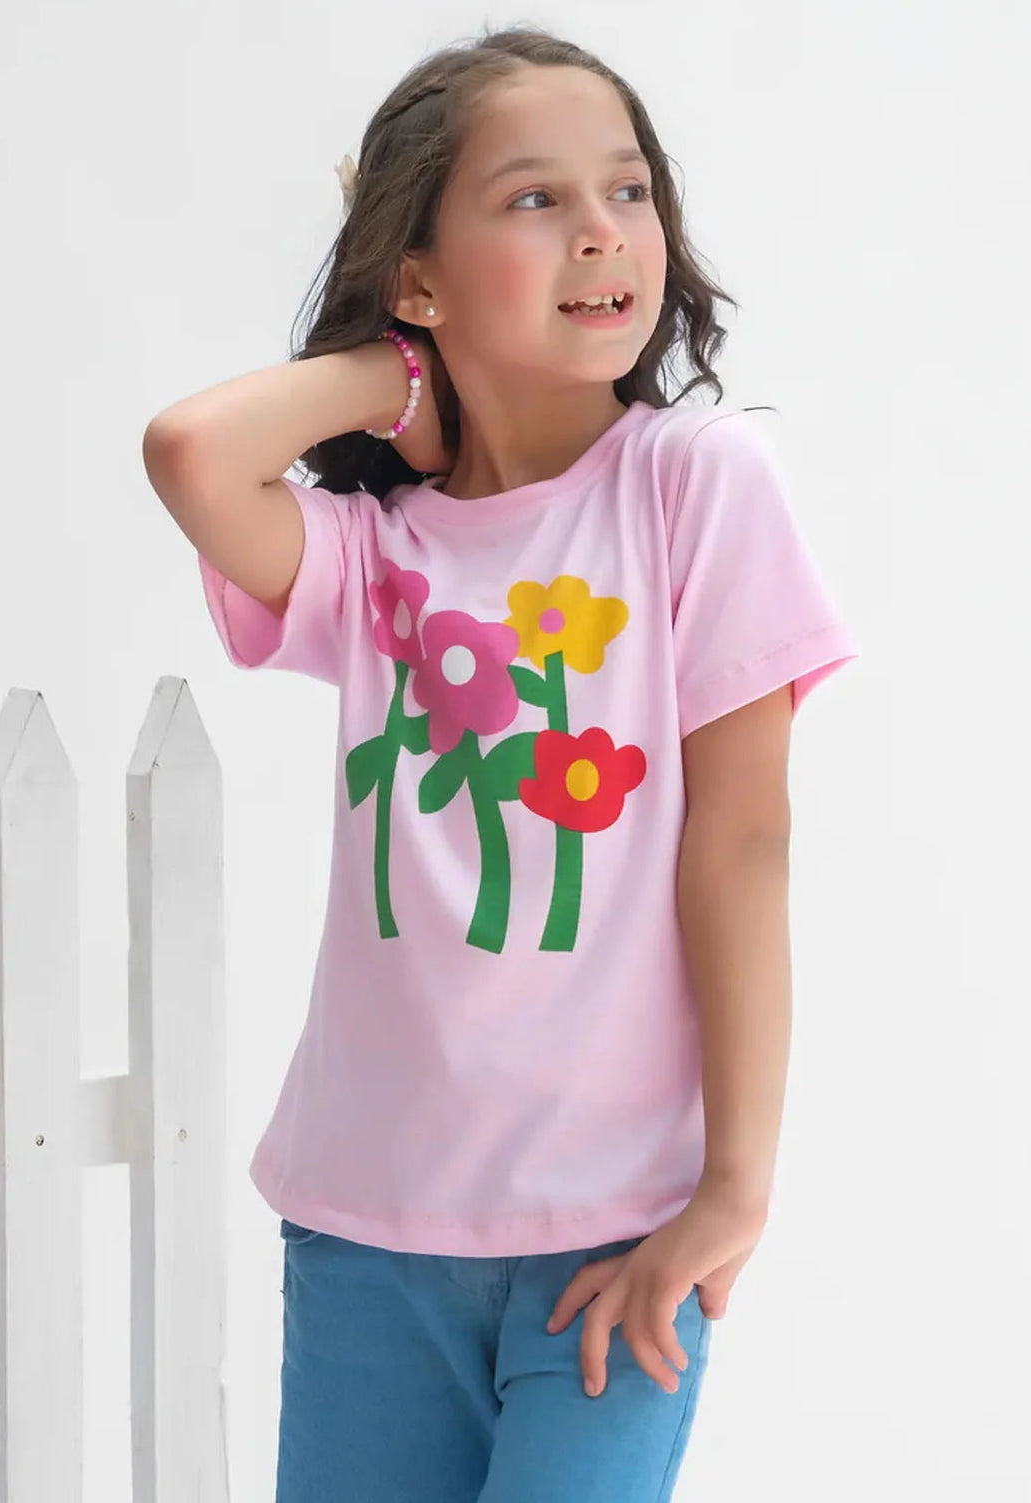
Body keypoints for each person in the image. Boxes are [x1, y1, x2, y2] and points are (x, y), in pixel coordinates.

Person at [141, 23, 859, 1502]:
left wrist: (735, 1187)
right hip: (364, 1229)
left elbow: (741, 843)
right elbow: (192, 451)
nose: (604, 231)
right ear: (418, 273)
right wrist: (395, 375)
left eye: (629, 190)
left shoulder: (695, 483)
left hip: (613, 1236)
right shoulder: (374, 555)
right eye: (536, 199)